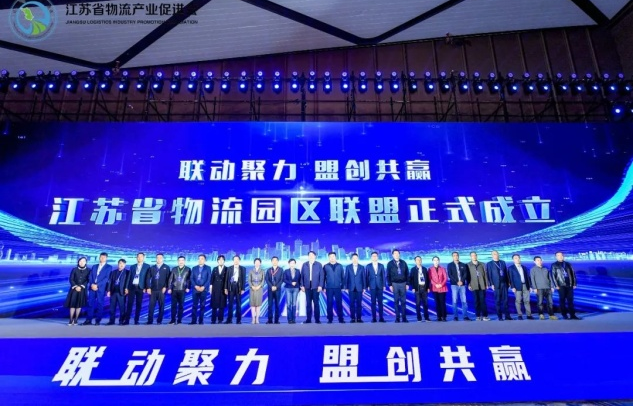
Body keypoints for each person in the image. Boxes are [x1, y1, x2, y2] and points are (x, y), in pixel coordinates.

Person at [83, 252, 112, 326]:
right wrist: (92, 284)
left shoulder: (109, 267)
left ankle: (98, 320)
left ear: (106, 258)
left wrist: (97, 285)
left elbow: (106, 278)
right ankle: (88, 320)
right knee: (90, 304)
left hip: (101, 288)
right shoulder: (94, 266)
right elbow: (90, 276)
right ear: (99, 257)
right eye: (101, 257)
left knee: (100, 304)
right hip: (92, 287)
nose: (102, 258)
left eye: (104, 257)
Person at [551, 251, 580, 320]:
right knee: (562, 300)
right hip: (561, 285)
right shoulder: (554, 265)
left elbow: (573, 274)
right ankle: (564, 315)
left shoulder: (568, 264)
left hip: (569, 284)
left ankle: (572, 315)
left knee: (570, 300)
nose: (560, 256)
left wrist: (574, 283)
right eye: (558, 255)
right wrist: (556, 285)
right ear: (556, 257)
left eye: (561, 255)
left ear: (563, 256)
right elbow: (553, 276)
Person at [124, 252, 150, 325]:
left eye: (141, 257)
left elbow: (147, 278)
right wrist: (126, 287)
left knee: (139, 304)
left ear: (143, 258)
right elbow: (129, 277)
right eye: (138, 257)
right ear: (136, 258)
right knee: (129, 304)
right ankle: (127, 320)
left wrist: (146, 287)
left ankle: (136, 320)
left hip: (140, 287)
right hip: (132, 287)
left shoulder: (147, 266)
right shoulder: (132, 266)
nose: (139, 258)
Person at [530, 256, 558, 320]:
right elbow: (532, 279)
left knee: (550, 302)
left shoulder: (546, 268)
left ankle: (551, 315)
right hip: (539, 288)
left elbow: (550, 278)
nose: (539, 261)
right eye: (537, 260)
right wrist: (534, 288)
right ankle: (541, 314)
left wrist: (552, 286)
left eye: (540, 260)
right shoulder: (533, 269)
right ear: (534, 262)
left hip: (548, 288)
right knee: (540, 303)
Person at [486, 250, 511, 321]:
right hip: (496, 284)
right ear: (492, 255)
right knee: (498, 301)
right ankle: (500, 316)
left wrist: (508, 282)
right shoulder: (489, 264)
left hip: (504, 283)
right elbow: (489, 274)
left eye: (497, 254)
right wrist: (491, 284)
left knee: (506, 300)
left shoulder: (502, 262)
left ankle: (507, 316)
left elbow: (506, 273)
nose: (496, 255)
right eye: (494, 254)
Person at [64, 257, 90, 326]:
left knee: (79, 305)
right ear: (78, 262)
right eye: (80, 261)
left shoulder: (88, 270)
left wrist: (81, 286)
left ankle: (76, 320)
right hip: (74, 289)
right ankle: (70, 319)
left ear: (86, 262)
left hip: (82, 289)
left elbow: (88, 280)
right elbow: (71, 279)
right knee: (72, 304)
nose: (82, 262)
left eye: (83, 261)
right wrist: (75, 286)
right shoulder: (74, 269)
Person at [145, 253, 170, 325]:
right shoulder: (152, 268)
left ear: (163, 259)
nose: (158, 259)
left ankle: (159, 320)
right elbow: (147, 278)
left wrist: (165, 287)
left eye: (160, 258)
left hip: (162, 290)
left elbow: (168, 279)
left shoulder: (166, 267)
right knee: (151, 306)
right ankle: (150, 321)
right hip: (153, 290)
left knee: (161, 306)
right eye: (157, 258)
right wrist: (148, 287)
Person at [300, 251, 324, 324]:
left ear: (315, 256)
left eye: (312, 255)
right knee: (308, 304)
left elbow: (321, 276)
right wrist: (302, 285)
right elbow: (302, 276)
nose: (311, 256)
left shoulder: (319, 264)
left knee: (316, 303)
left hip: (316, 287)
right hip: (307, 286)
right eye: (309, 255)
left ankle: (317, 319)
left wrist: (320, 285)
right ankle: (308, 319)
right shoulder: (304, 264)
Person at [508, 254, 533, 320]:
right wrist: (512, 287)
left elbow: (527, 277)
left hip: (525, 285)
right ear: (513, 260)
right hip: (517, 286)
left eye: (518, 258)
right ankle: (520, 315)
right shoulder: (511, 268)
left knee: (527, 301)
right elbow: (510, 278)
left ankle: (529, 315)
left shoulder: (524, 267)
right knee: (518, 301)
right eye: (516, 258)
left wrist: (530, 286)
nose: (518, 259)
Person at [387, 249, 409, 323]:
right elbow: (388, 275)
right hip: (394, 284)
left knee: (403, 301)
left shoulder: (403, 263)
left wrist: (407, 284)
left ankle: (404, 318)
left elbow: (407, 273)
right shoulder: (390, 264)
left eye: (397, 253)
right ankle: (397, 318)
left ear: (399, 254)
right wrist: (390, 285)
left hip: (403, 283)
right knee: (396, 301)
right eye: (395, 254)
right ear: (392, 255)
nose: (396, 255)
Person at [447, 252, 470, 321]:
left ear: (458, 256)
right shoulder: (450, 265)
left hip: (462, 285)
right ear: (452, 257)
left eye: (457, 255)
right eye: (454, 255)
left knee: (464, 301)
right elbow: (450, 275)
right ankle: (455, 316)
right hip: (454, 285)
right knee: (455, 301)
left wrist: (462, 281)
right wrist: (457, 281)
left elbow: (465, 274)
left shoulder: (463, 264)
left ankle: (465, 316)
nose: (456, 256)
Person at [323, 251, 345, 324]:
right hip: (329, 288)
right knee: (329, 303)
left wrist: (343, 286)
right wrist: (324, 287)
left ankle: (341, 318)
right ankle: (330, 319)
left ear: (335, 257)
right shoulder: (325, 266)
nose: (332, 258)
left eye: (333, 256)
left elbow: (343, 277)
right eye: (330, 257)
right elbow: (323, 278)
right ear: (328, 258)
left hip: (338, 287)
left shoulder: (340, 266)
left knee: (339, 303)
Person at [168, 256, 190, 325]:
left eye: (182, 260)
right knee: (173, 306)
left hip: (182, 289)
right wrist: (169, 288)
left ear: (184, 261)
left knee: (181, 306)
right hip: (174, 289)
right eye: (180, 260)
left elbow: (189, 279)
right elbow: (170, 279)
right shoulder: (174, 269)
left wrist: (188, 287)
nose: (181, 262)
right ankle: (173, 320)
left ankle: (179, 320)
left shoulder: (188, 269)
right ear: (178, 261)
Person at [107, 259, 130, 326]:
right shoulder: (113, 272)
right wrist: (108, 290)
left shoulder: (127, 272)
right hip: (113, 292)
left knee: (122, 308)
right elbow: (110, 282)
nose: (121, 265)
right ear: (118, 264)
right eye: (120, 263)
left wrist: (127, 289)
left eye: (123, 263)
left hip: (121, 292)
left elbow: (128, 282)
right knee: (112, 308)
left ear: (125, 265)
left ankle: (121, 321)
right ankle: (111, 321)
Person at [467, 252, 489, 321]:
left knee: (483, 301)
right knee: (476, 301)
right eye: (472, 255)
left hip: (482, 285)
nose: (474, 256)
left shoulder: (482, 264)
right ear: (470, 257)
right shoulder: (468, 265)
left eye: (475, 255)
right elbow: (468, 276)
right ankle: (478, 316)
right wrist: (469, 284)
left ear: (477, 256)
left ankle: (485, 316)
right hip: (474, 285)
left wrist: (487, 284)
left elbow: (485, 275)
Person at [224, 255, 246, 324]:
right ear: (233, 261)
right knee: (230, 304)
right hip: (231, 287)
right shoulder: (229, 268)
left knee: (238, 304)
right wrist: (225, 288)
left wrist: (243, 288)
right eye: (235, 259)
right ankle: (229, 319)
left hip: (238, 287)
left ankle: (238, 320)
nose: (236, 261)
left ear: (239, 260)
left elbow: (244, 279)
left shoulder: (243, 268)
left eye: (237, 259)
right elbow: (226, 279)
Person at [190, 254, 211, 325]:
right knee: (194, 305)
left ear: (205, 260)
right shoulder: (194, 268)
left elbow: (209, 279)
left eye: (202, 259)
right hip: (195, 289)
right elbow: (191, 278)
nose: (200, 260)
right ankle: (193, 321)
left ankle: (201, 321)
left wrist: (204, 287)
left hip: (204, 289)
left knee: (202, 305)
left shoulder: (208, 268)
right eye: (199, 259)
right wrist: (195, 286)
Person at [366, 251, 386, 323]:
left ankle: (381, 318)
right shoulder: (368, 266)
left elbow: (383, 276)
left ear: (377, 257)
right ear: (371, 257)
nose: (374, 257)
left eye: (375, 256)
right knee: (373, 302)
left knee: (380, 302)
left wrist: (384, 285)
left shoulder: (381, 265)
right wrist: (367, 285)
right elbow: (367, 276)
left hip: (380, 286)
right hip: (372, 286)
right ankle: (374, 318)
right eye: (373, 256)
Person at [345, 253, 366, 323]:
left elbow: (363, 278)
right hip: (351, 288)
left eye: (356, 258)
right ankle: (353, 318)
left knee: (359, 304)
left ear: (358, 259)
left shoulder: (362, 267)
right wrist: (346, 287)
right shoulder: (348, 267)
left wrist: (364, 287)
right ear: (351, 259)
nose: (355, 259)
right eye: (353, 258)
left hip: (359, 288)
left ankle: (359, 318)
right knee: (351, 303)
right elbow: (346, 277)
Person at [409, 256, 430, 322]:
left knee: (425, 304)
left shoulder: (424, 269)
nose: (419, 261)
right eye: (417, 260)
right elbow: (411, 279)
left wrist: (428, 287)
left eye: (420, 260)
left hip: (424, 288)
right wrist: (413, 287)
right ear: (415, 261)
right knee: (418, 304)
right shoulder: (413, 269)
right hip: (417, 288)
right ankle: (419, 318)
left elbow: (428, 279)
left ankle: (426, 318)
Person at [429, 256, 448, 322]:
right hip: (435, 288)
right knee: (437, 303)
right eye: (434, 260)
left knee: (442, 302)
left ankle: (444, 317)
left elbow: (445, 278)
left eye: (437, 260)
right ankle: (439, 317)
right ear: (432, 261)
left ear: (439, 261)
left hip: (442, 287)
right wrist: (435, 284)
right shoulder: (430, 269)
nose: (436, 261)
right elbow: (430, 278)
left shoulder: (443, 269)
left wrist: (441, 284)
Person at [265, 256, 284, 324]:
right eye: (273, 260)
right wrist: (271, 286)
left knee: (277, 305)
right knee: (270, 305)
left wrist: (276, 286)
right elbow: (267, 279)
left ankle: (276, 320)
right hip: (270, 290)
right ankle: (270, 320)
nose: (275, 262)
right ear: (271, 261)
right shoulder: (268, 270)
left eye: (276, 260)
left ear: (278, 261)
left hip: (277, 289)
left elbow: (282, 279)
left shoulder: (281, 270)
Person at [210, 255, 228, 324]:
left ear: (224, 261)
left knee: (222, 305)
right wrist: (210, 288)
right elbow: (212, 279)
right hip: (215, 288)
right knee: (214, 304)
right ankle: (213, 319)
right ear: (217, 261)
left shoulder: (227, 269)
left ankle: (220, 319)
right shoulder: (214, 269)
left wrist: (227, 288)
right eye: (219, 260)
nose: (221, 261)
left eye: (222, 260)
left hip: (223, 288)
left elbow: (228, 279)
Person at [283, 258, 300, 324]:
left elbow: (300, 279)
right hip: (288, 288)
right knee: (289, 304)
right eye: (291, 263)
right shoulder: (286, 271)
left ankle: (293, 319)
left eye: (293, 263)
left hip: (296, 288)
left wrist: (297, 284)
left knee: (294, 304)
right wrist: (291, 283)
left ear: (295, 264)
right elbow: (284, 279)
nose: (292, 264)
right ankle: (289, 319)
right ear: (289, 264)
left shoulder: (298, 271)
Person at [249, 258, 265, 324]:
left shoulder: (262, 271)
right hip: (252, 289)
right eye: (256, 262)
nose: (257, 263)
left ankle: (257, 319)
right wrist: (252, 286)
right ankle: (253, 319)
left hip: (259, 288)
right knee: (252, 304)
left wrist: (259, 286)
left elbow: (263, 280)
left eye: (258, 262)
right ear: (254, 263)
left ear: (260, 263)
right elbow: (249, 280)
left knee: (258, 304)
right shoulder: (251, 271)